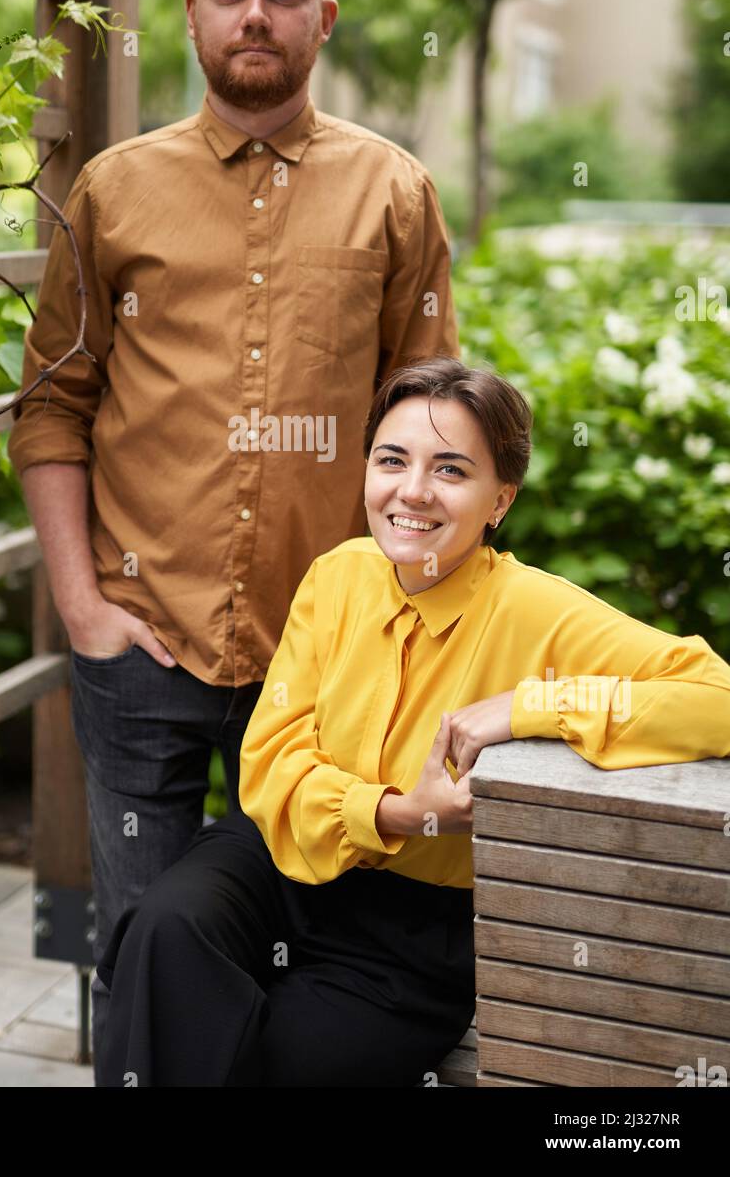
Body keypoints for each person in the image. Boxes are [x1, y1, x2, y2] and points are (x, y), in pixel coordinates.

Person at [6, 0, 459, 1067]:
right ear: (194, 13)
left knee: (309, 953)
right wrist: (86, 608)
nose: (254, 14)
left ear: (323, 19)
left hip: (325, 658)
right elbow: (52, 408)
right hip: (139, 647)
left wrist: (405, 624)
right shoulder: (111, 193)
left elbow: (430, 433)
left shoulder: (394, 193)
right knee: (145, 954)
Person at [93, 356, 730, 1087]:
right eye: (391, 460)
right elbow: (271, 760)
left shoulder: (536, 610)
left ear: (500, 499)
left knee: (277, 1062)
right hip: (278, 857)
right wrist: (397, 811)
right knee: (162, 935)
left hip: (416, 927)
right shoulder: (338, 575)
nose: (412, 491)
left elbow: (715, 696)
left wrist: (528, 707)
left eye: (451, 471)